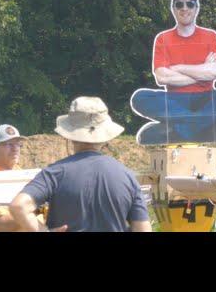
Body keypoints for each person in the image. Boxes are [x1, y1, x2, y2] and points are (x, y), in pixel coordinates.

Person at [131, 0, 216, 145]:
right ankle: (209, 128)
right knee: (140, 98)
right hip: (174, 101)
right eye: (179, 4)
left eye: (190, 4)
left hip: (207, 98)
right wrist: (202, 72)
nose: (184, 8)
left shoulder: (210, 36)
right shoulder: (162, 39)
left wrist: (179, 68)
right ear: (173, 8)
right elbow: (162, 77)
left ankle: (177, 131)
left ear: (196, 8)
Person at [10, 96, 151, 232]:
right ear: (105, 136)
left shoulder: (54, 173)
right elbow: (143, 229)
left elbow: (19, 206)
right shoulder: (127, 176)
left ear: (69, 135)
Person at [0, 124, 44, 232]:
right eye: (9, 144)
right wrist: (39, 211)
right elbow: (1, 225)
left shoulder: (25, 176)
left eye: (18, 144)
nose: (15, 149)